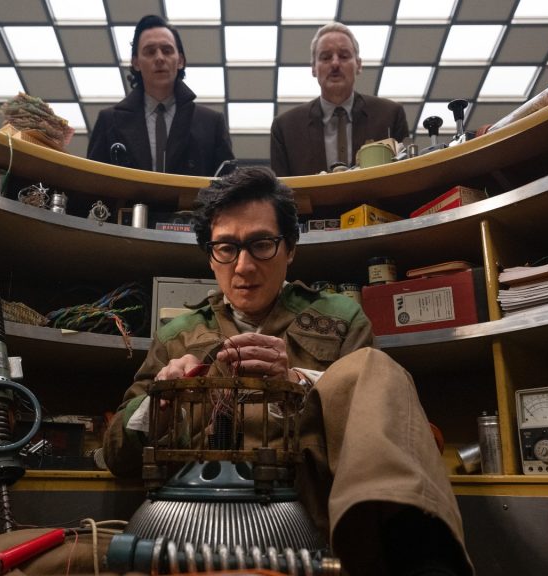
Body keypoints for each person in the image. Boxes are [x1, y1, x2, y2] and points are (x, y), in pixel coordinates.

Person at [103, 166, 473, 576]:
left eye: (261, 244)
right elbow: (117, 455)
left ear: (291, 249)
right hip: (196, 529)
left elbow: (378, 414)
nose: (243, 266)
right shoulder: (177, 335)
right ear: (210, 255)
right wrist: (161, 402)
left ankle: (425, 560)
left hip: (315, 528)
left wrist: (297, 382)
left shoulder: (340, 318)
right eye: (226, 248)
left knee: (374, 368)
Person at [87, 14, 234, 176]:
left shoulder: (211, 123)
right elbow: (91, 183)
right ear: (136, 62)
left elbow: (230, 185)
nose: (159, 58)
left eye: (167, 50)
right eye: (150, 52)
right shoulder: (109, 122)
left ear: (180, 61)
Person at [270, 22, 410, 176]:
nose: (335, 63)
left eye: (344, 56)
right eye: (326, 57)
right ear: (314, 68)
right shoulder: (286, 128)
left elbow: (405, 176)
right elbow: (280, 189)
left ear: (358, 65)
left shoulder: (389, 115)